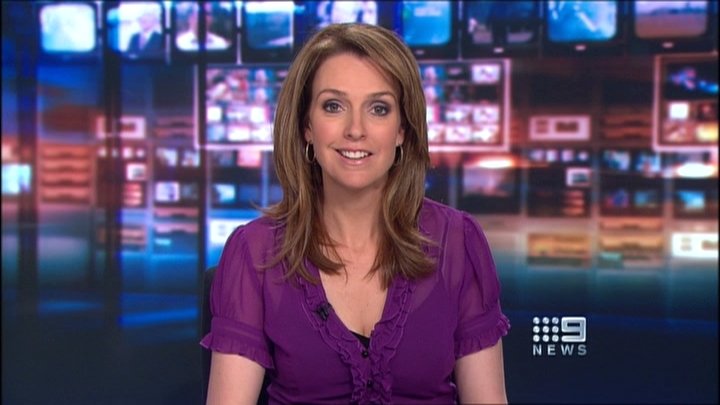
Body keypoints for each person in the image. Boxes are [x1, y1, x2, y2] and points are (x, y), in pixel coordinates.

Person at [201, 23, 510, 404]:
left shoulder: (458, 243)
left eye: (378, 109)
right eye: (334, 106)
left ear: (402, 130)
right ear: (307, 127)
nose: (356, 130)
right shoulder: (256, 251)